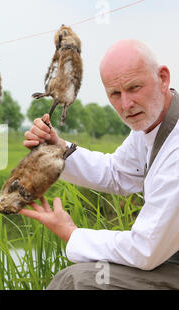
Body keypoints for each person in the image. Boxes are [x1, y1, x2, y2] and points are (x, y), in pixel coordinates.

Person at [21, 39, 179, 289]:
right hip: (168, 257)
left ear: (163, 78)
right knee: (78, 276)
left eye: (134, 87)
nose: (126, 104)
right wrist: (57, 148)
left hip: (163, 257)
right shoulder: (151, 123)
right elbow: (117, 172)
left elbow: (145, 249)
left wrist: (71, 233)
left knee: (79, 281)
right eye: (115, 94)